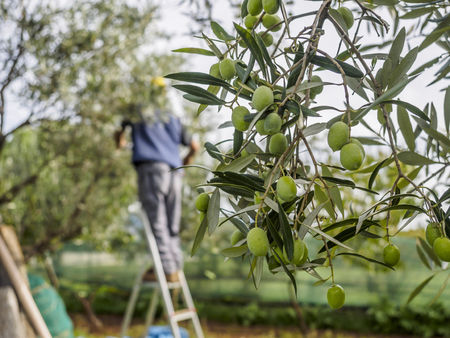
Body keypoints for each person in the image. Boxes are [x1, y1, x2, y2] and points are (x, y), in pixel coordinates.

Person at [115, 82, 199, 282]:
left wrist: (120, 143)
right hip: (174, 172)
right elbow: (194, 145)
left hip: (152, 169)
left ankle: (168, 270)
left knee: (158, 222)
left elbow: (119, 131)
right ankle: (174, 268)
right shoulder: (172, 116)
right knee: (172, 225)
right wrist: (185, 162)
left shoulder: (139, 110)